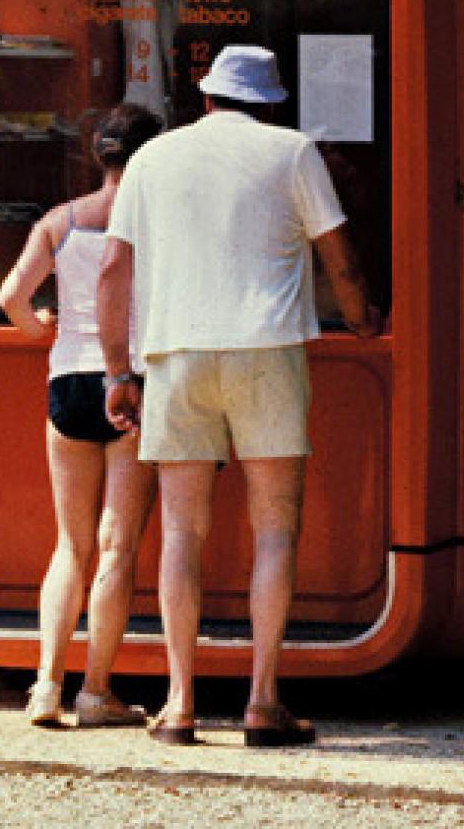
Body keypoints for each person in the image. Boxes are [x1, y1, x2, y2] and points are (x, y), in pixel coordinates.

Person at [98, 45, 382, 748]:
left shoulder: (152, 159)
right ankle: (262, 699)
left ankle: (179, 701)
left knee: (180, 533)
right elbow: (338, 255)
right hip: (267, 351)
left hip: (175, 353)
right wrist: (364, 316)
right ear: (274, 102)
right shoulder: (293, 152)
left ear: (206, 99)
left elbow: (112, 269)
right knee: (274, 528)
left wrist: (116, 372)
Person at [0, 103, 163, 729]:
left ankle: (45, 685)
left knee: (70, 544)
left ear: (99, 155)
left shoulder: (60, 222)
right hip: (131, 383)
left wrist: (39, 327)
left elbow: (12, 296)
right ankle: (96, 692)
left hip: (67, 380)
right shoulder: (155, 221)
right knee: (117, 547)